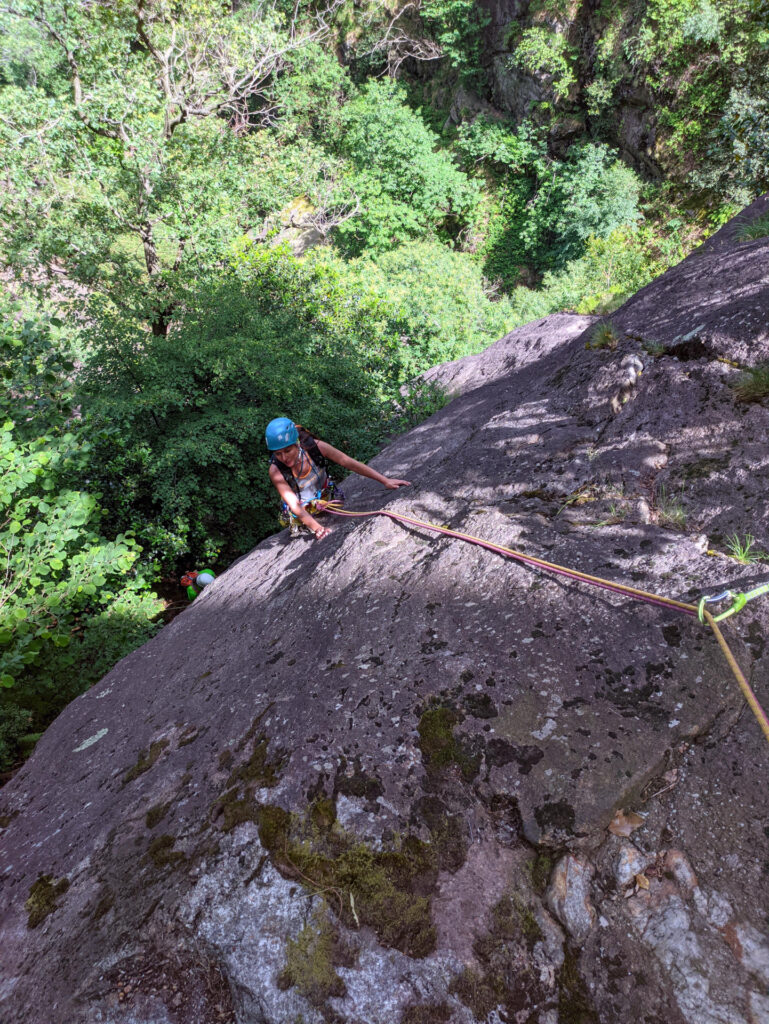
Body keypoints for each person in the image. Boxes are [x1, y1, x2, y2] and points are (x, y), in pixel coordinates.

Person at [266, 417, 410, 540]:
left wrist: (384, 480)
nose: (284, 458)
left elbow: (348, 462)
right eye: (278, 454)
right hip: (302, 513)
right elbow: (294, 504)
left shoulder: (315, 448)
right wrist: (317, 528)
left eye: (287, 451)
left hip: (326, 499)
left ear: (297, 443)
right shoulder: (276, 471)